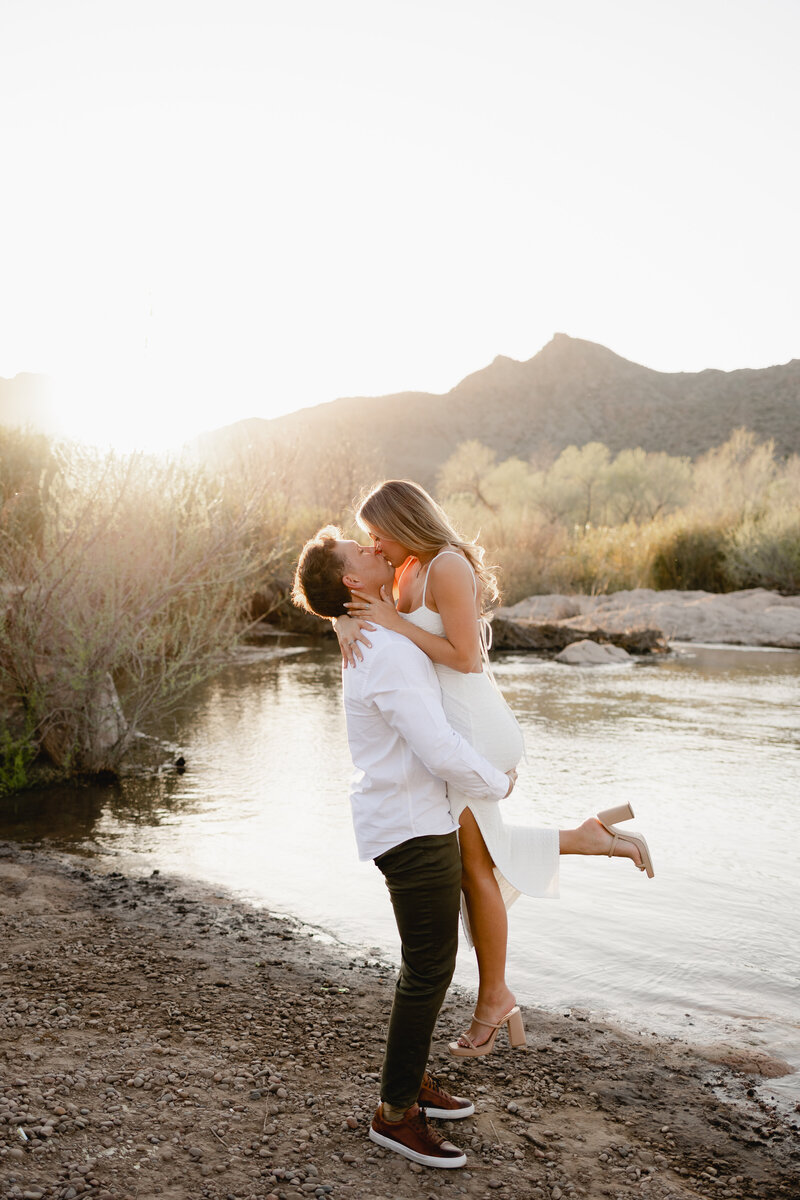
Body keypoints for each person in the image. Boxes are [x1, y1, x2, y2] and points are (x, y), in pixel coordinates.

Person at [333, 479, 654, 1057]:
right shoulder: (403, 571)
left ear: (405, 523)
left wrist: (391, 621)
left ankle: (495, 999)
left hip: (475, 731)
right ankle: (588, 837)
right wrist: (344, 622)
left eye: (377, 534)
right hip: (452, 733)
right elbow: (344, 592)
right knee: (478, 860)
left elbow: (465, 657)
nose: (373, 546)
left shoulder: (447, 566)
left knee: (474, 870)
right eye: (367, 541)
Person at [291, 526, 520, 1169]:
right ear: (352, 584)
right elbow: (437, 747)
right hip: (412, 827)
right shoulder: (383, 654)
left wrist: (341, 621)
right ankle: (395, 1114)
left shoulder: (375, 634)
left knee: (426, 965)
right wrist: (497, 782)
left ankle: (409, 1079)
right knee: (428, 967)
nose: (375, 552)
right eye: (361, 553)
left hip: (417, 820)